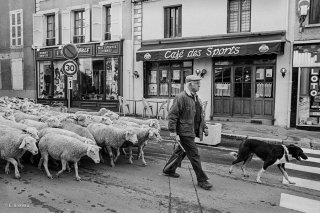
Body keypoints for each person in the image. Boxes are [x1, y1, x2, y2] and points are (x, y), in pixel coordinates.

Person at [163, 74, 213, 190]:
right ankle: (202, 180)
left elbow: (199, 115)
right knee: (194, 155)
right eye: (197, 83)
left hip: (191, 130)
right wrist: (172, 131)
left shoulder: (195, 97)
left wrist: (204, 127)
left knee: (181, 151)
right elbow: (173, 115)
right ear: (190, 84)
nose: (199, 85)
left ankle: (169, 169)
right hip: (185, 131)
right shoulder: (181, 97)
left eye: (199, 83)